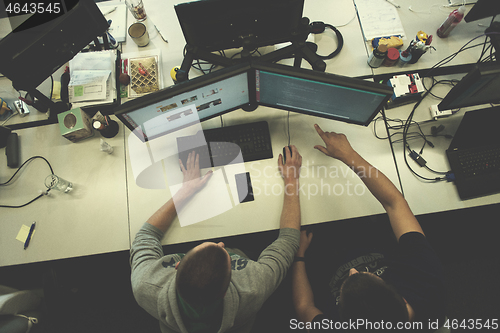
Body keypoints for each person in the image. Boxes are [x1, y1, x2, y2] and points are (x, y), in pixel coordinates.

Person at [291, 124, 446, 331]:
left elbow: (304, 308)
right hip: (376, 241)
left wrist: (298, 256)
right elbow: (395, 204)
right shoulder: (428, 283)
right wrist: (350, 156)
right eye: (365, 276)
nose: (353, 270)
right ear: (402, 299)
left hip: (325, 259)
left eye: (349, 280)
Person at [130, 148, 303, 333]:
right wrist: (291, 179)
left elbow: (146, 235)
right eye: (225, 252)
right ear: (230, 282)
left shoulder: (145, 285)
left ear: (178, 266)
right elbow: (289, 240)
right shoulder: (254, 286)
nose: (221, 244)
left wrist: (186, 190)